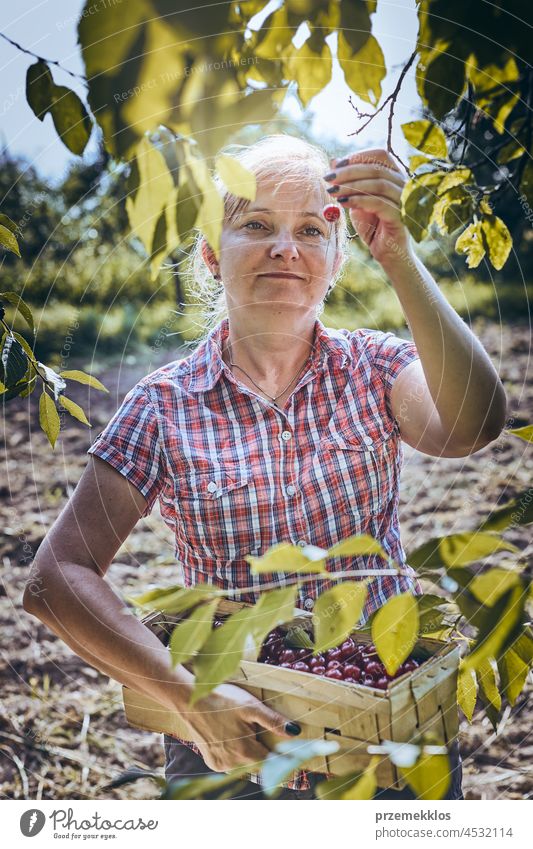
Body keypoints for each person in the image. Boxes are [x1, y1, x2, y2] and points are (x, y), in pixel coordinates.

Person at [23, 134, 506, 800]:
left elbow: (472, 424)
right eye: (255, 224)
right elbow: (56, 576)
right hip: (232, 739)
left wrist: (398, 253)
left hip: (382, 725)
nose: (285, 247)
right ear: (211, 254)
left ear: (336, 262)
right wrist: (190, 698)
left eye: (310, 229)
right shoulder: (163, 407)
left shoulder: (375, 368)